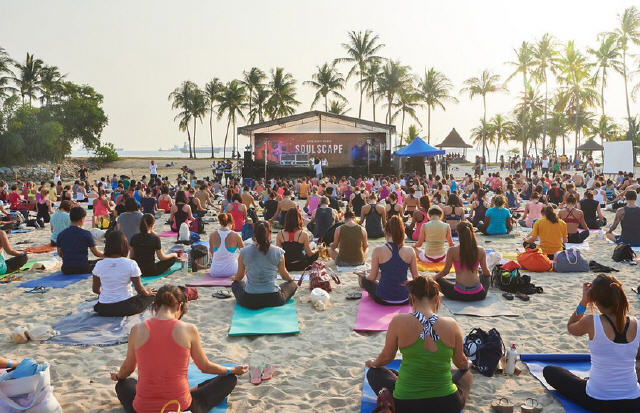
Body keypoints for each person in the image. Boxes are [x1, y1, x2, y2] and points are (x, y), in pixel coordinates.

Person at [112, 285, 247, 413]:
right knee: (228, 378)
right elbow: (205, 367)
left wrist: (117, 376)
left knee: (123, 384)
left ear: (156, 306)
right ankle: (191, 391)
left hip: (142, 409)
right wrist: (232, 370)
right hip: (180, 408)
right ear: (179, 306)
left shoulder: (137, 330)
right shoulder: (188, 329)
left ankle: (189, 391)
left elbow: (127, 369)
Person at [365, 276, 473, 412]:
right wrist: (468, 364)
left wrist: (373, 363)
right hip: (447, 404)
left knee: (374, 372)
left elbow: (386, 358)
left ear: (412, 298)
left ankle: (398, 377)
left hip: (405, 405)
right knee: (466, 374)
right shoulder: (451, 324)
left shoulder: (398, 321)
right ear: (436, 299)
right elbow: (461, 363)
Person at [543, 274, 640, 412]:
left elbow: (571, 326)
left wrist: (583, 302)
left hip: (599, 400)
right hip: (634, 402)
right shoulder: (637, 323)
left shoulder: (591, 322)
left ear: (594, 299)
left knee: (550, 371)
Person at [231, 221, 297, 309]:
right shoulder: (278, 252)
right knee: (293, 285)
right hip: (273, 298)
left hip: (250, 300)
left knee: (236, 284)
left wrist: (234, 279)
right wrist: (291, 279)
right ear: (270, 233)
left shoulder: (244, 252)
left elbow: (239, 277)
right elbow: (284, 275)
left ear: (254, 234)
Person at [93, 231, 155, 316]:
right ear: (125, 246)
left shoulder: (99, 264)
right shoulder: (131, 263)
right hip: (125, 306)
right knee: (151, 296)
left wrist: (107, 295)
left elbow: (95, 289)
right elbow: (139, 289)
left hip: (104, 308)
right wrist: (148, 293)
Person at [359, 216, 418, 305]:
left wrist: (365, 276)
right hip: (405, 298)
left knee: (364, 279)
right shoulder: (410, 251)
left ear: (386, 232)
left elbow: (372, 277)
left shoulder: (378, 250)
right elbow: (416, 277)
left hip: (383, 299)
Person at [434, 222, 491, 301]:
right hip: (479, 294)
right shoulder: (480, 250)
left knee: (437, 280)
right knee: (485, 276)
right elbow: (486, 272)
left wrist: (434, 278)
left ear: (458, 233)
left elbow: (445, 271)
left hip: (459, 294)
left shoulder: (452, 250)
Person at [57, 206, 104, 274]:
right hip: (82, 268)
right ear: (82, 219)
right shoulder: (86, 234)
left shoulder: (61, 234)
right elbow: (96, 253)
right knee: (102, 261)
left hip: (66, 269)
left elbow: (60, 254)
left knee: (92, 262)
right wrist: (107, 255)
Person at [209, 213, 243, 278]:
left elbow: (211, 253)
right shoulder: (236, 235)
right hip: (232, 271)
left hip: (215, 272)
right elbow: (244, 253)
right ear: (230, 223)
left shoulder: (212, 235)